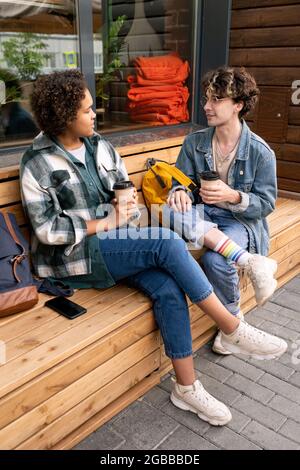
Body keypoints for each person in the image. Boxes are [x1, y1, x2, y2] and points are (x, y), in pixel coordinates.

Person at [20, 70, 287, 428]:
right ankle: (231, 326)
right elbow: (47, 229)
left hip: (116, 243)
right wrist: (107, 222)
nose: (95, 113)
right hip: (74, 257)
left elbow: (121, 186)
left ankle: (186, 387)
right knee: (166, 240)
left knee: (168, 285)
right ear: (64, 116)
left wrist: (126, 200)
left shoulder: (98, 145)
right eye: (87, 110)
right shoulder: (37, 162)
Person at [163, 66, 278, 355]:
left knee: (216, 262)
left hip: (240, 221)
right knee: (167, 211)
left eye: (216, 100)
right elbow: (182, 184)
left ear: (238, 105)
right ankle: (248, 264)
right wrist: (179, 193)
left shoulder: (260, 152)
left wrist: (234, 195)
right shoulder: (195, 142)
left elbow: (266, 204)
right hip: (202, 216)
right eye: (207, 98)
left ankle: (233, 319)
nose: (206, 106)